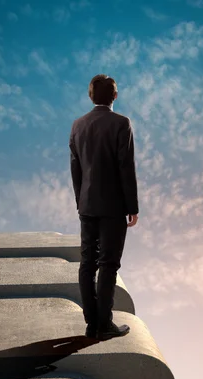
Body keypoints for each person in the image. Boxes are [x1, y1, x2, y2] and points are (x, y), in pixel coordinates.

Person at [69, 74, 139, 341]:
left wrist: (80, 201)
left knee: (87, 263)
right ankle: (104, 323)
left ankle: (91, 323)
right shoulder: (122, 123)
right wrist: (132, 206)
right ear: (115, 96)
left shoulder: (77, 126)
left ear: (90, 96)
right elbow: (126, 166)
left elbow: (75, 169)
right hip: (113, 207)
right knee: (108, 264)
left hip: (86, 205)